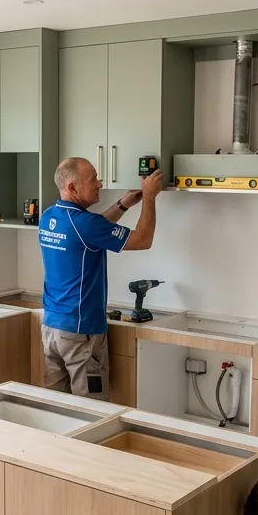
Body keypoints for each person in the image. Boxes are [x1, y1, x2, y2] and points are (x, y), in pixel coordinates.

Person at [38, 157, 163, 398]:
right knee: (91, 410)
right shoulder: (86, 224)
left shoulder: (49, 216)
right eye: (93, 179)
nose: (100, 184)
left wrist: (123, 204)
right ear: (73, 188)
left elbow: (95, 229)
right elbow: (143, 240)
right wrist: (149, 197)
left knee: (54, 406)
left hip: (52, 328)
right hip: (80, 331)